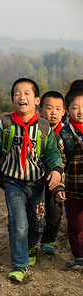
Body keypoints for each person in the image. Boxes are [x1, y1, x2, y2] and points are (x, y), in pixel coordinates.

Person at [0, 78, 63, 282]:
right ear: (13, 100)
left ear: (36, 100)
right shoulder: (5, 124)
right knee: (18, 223)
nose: (21, 97)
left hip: (38, 182)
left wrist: (57, 170)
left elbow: (52, 153)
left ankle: (31, 247)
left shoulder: (44, 127)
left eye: (27, 93)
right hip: (13, 182)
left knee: (38, 222)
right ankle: (20, 264)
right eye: (17, 93)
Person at [55, 87, 83, 270]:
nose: (80, 111)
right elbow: (60, 163)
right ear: (67, 109)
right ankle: (79, 256)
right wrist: (59, 187)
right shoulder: (64, 134)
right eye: (75, 107)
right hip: (74, 189)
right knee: (76, 225)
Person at [37, 91, 66, 255]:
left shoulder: (66, 133)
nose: (53, 112)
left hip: (58, 182)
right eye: (49, 108)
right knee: (35, 213)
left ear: (64, 111)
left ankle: (48, 241)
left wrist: (60, 185)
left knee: (55, 212)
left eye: (57, 109)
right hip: (36, 179)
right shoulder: (36, 130)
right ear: (40, 110)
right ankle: (32, 241)